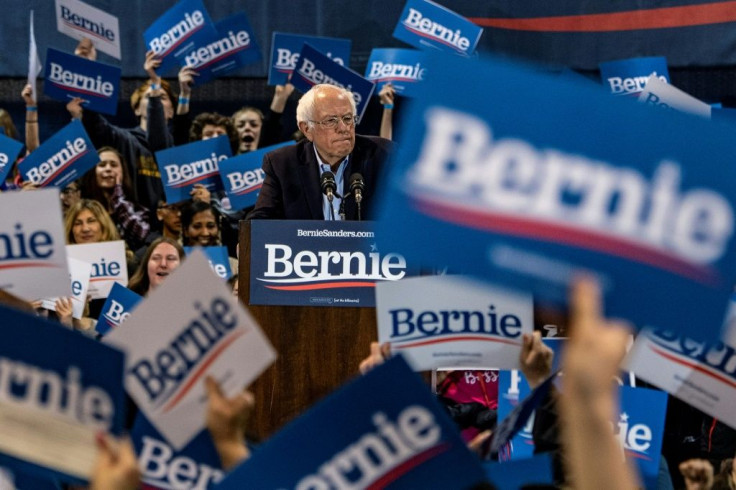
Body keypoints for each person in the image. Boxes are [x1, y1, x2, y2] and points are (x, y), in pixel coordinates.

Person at [247, 84, 394, 220]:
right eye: (330, 121)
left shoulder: (384, 155)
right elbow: (260, 220)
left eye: (348, 118)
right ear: (306, 129)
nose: (343, 128)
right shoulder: (282, 164)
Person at [66, 48, 177, 215]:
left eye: (162, 97)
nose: (156, 99)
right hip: (132, 222)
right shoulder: (124, 139)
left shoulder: (175, 147)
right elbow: (96, 124)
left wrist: (157, 83)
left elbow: (160, 138)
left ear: (171, 111)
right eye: (150, 97)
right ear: (137, 109)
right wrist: (87, 69)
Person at [81, 147, 151, 251]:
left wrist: (118, 198)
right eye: (102, 165)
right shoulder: (83, 209)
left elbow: (142, 233)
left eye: (114, 165)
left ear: (122, 172)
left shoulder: (137, 208)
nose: (108, 169)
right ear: (93, 172)